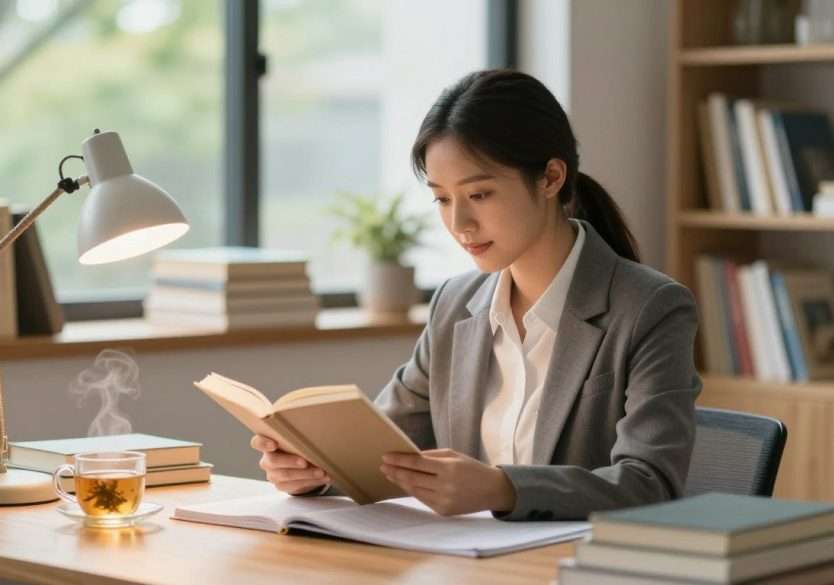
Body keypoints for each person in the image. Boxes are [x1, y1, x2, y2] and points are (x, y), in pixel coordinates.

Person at [250, 69, 701, 521]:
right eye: (442, 199)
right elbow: (386, 450)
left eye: (479, 194)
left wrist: (504, 489)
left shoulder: (650, 308)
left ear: (550, 178)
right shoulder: (453, 305)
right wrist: (318, 468)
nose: (460, 223)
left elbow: (650, 483)